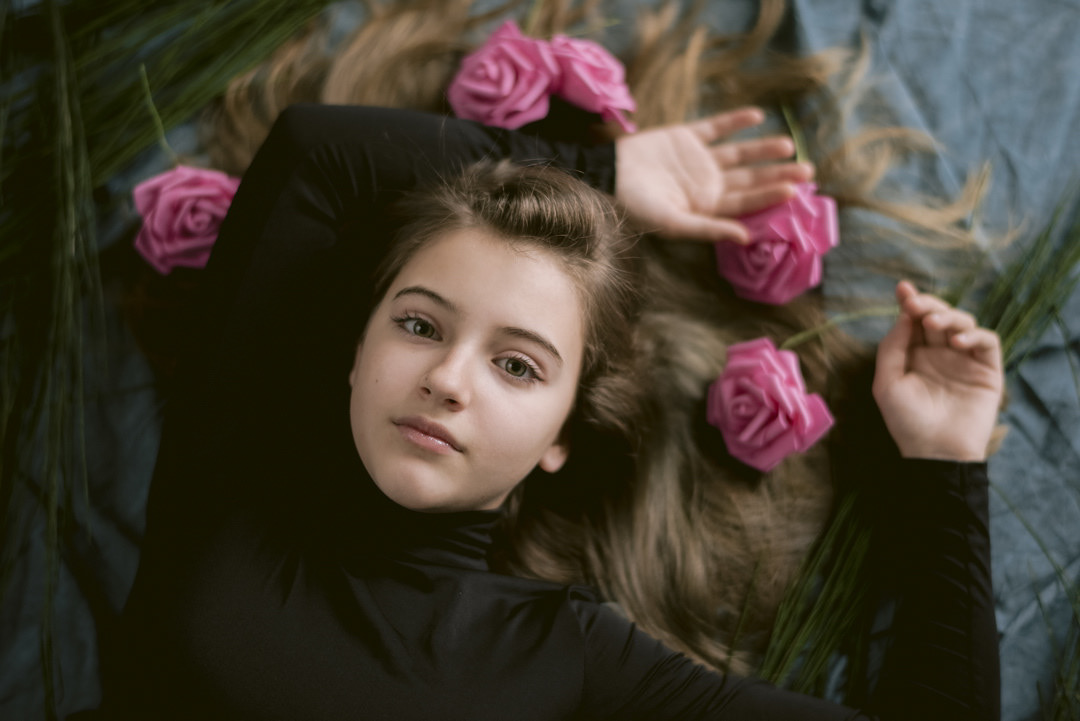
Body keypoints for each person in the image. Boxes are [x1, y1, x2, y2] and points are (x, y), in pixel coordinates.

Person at [85, 102, 1001, 720]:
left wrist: (945, 466)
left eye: (517, 365)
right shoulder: (245, 453)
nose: (450, 378)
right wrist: (604, 171)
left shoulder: (568, 654)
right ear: (358, 352)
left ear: (561, 435)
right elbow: (314, 150)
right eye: (419, 324)